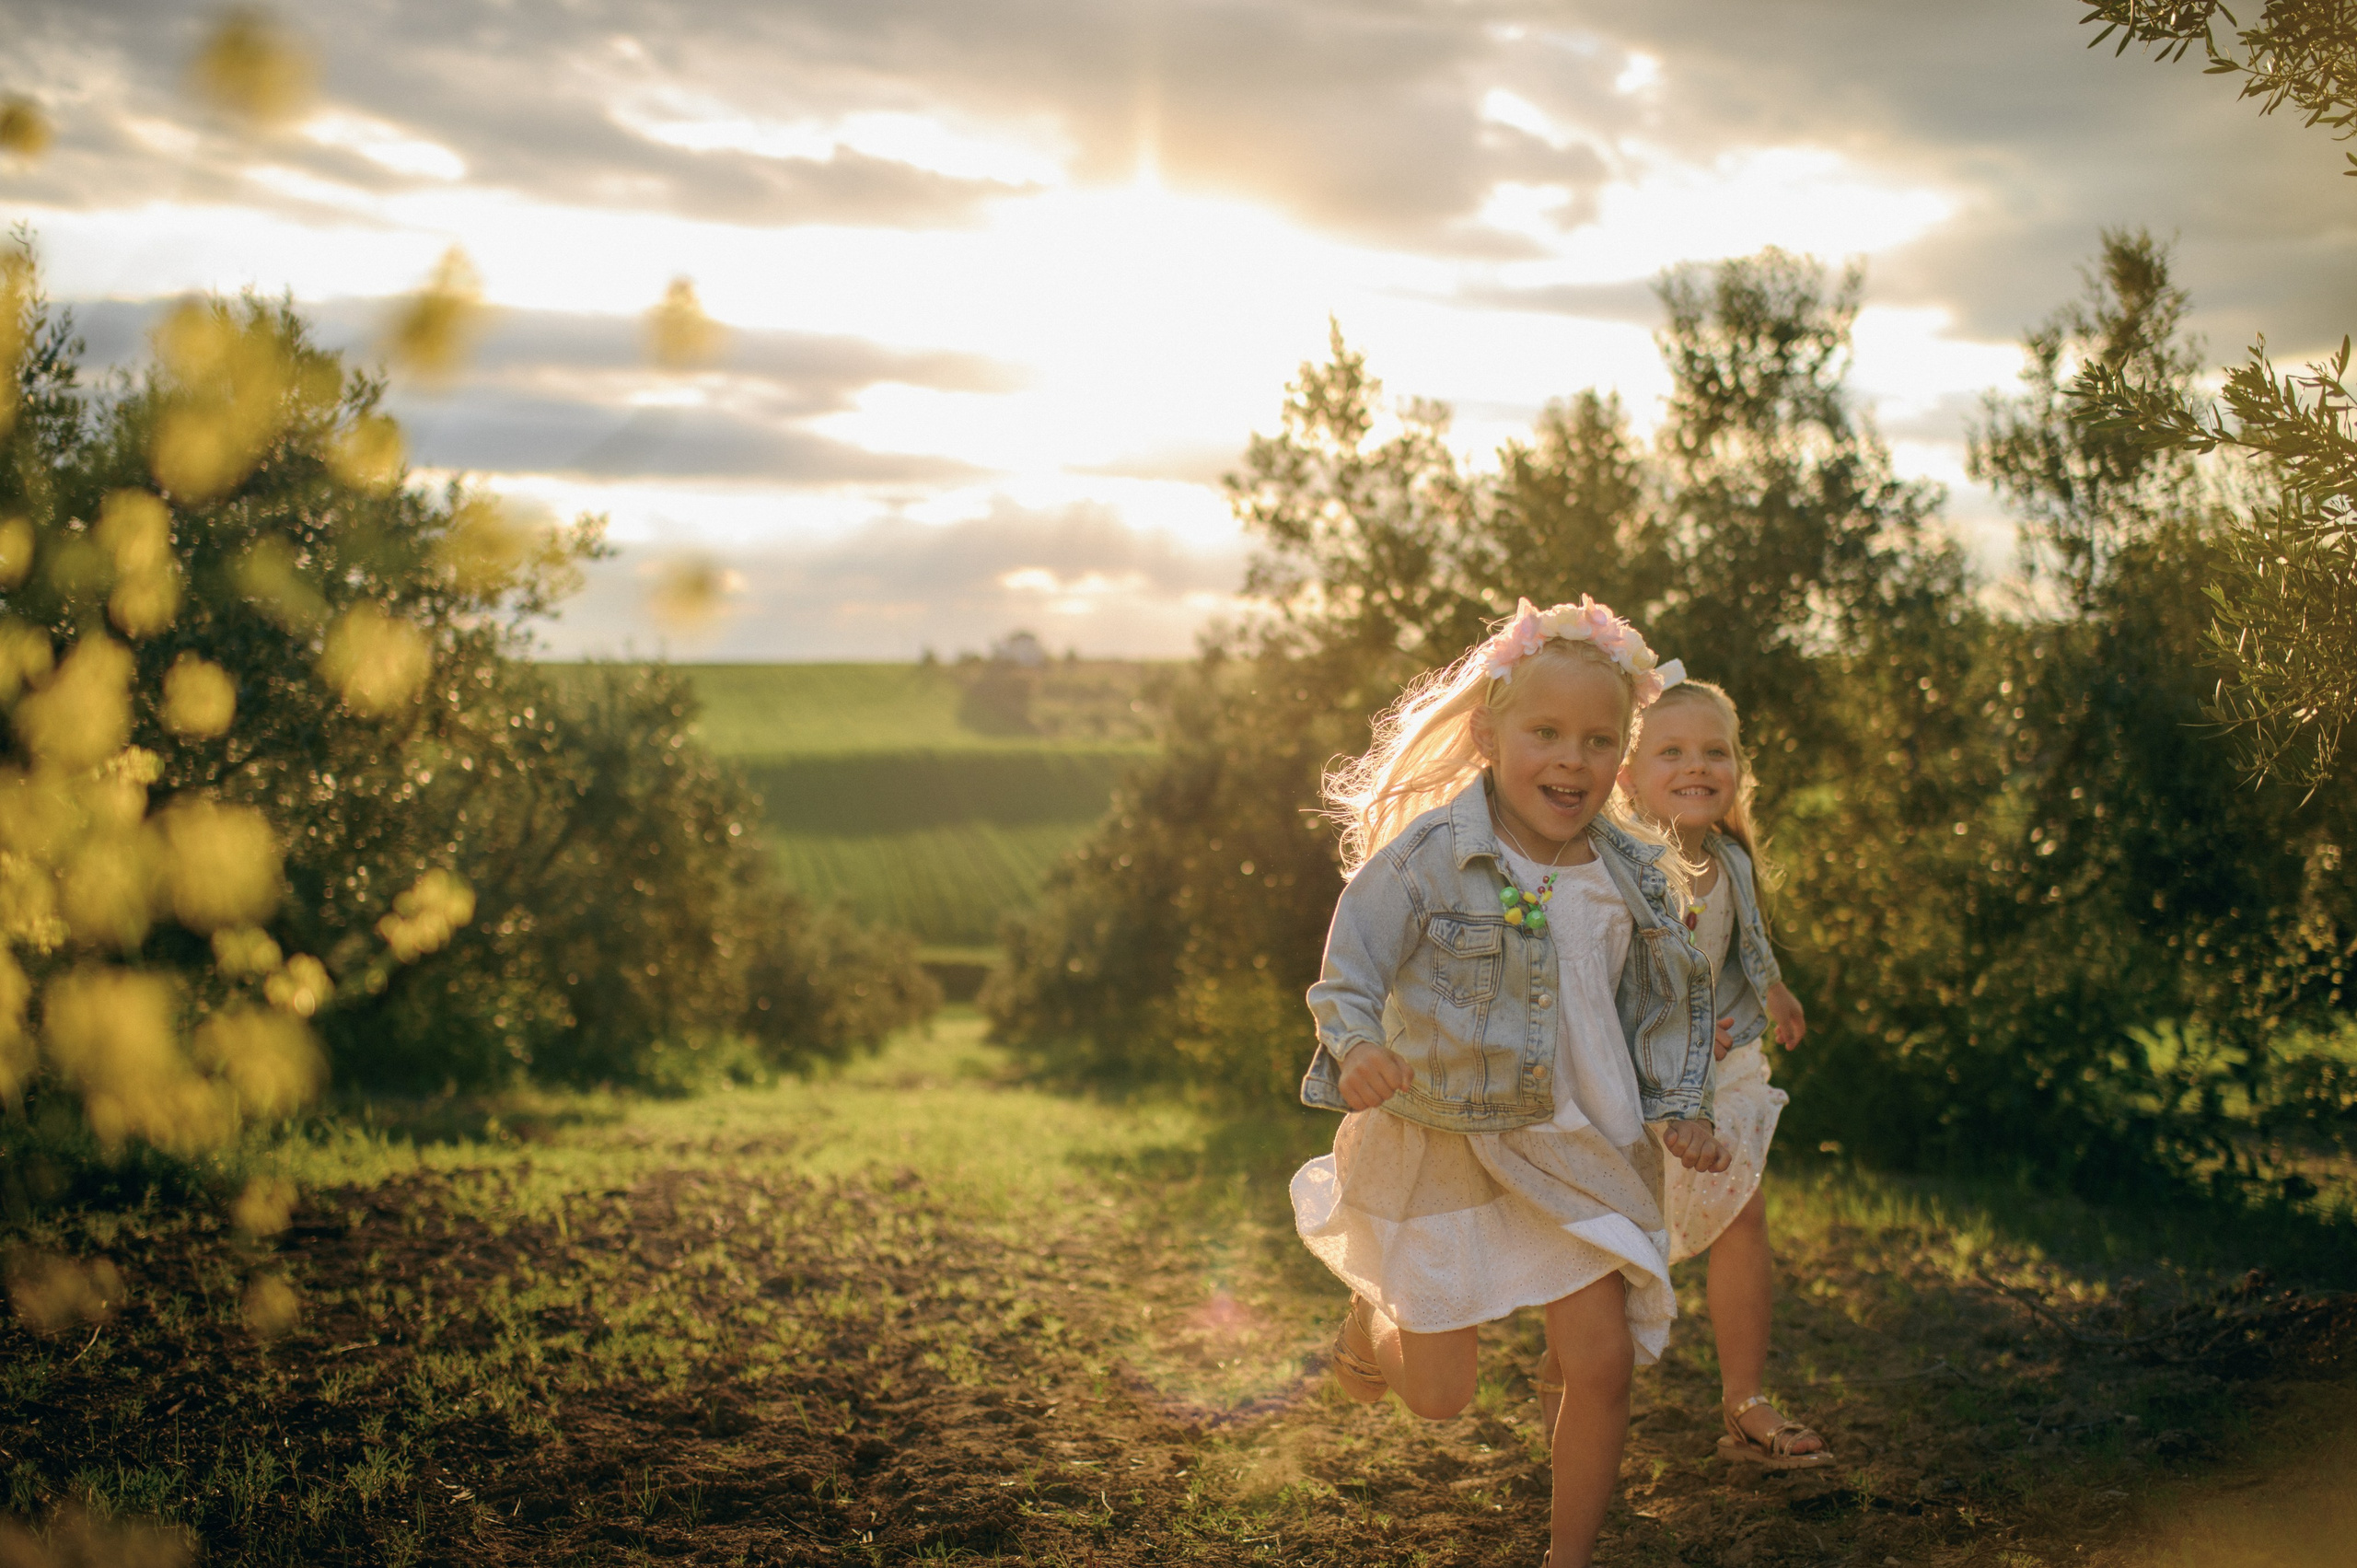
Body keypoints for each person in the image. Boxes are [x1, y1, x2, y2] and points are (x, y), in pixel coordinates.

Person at [1291, 596, 1733, 1568]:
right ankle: (1377, 1315)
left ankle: (1565, 1556)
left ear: (1622, 754)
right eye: (1544, 732)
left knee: (1601, 1358)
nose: (1570, 760)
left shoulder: (1638, 876)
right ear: (1489, 730)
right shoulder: (1426, 861)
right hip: (1449, 1135)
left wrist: (1681, 1107)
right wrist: (1357, 1046)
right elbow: (1346, 977)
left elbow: (1660, 1009)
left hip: (1578, 1141)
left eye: (1596, 739)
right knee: (1441, 1393)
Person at [1616, 679, 1832, 1470]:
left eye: (1715, 751)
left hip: (1724, 1061)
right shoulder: (1619, 863)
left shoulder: (1732, 859)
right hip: (1635, 1076)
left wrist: (1774, 988)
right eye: (1671, 751)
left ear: (1739, 768)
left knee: (1742, 1208)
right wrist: (1674, 1052)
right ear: (1629, 774)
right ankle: (1571, 1397)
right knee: (1611, 1245)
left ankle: (1744, 1399)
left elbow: (1749, 942)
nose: (1696, 765)